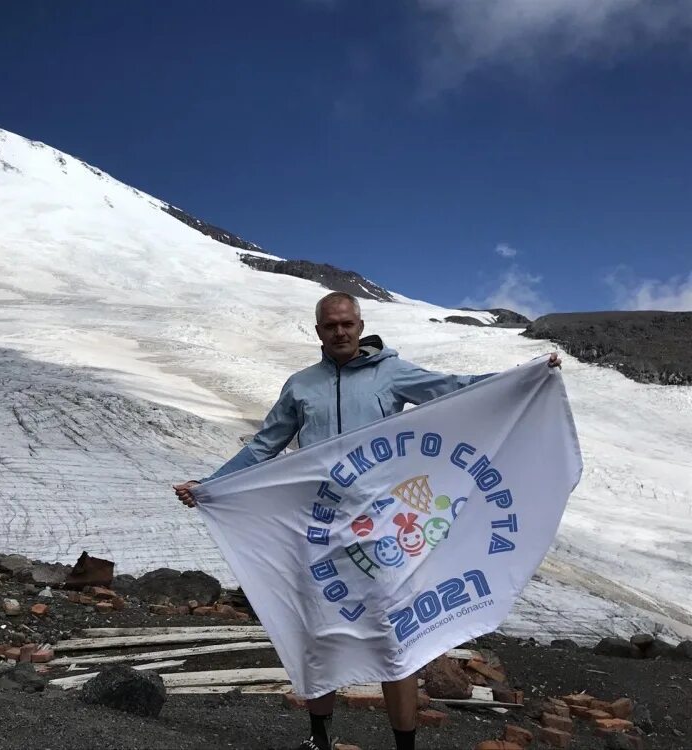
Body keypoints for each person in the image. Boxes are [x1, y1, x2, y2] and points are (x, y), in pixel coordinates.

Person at [173, 291, 561, 750]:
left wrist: (522, 380)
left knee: (394, 638)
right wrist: (213, 484)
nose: (339, 332)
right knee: (318, 635)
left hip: (384, 534)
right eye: (330, 325)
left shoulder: (391, 373)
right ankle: (319, 739)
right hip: (318, 531)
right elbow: (265, 446)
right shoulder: (300, 386)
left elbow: (453, 390)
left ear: (360, 326)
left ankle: (404, 746)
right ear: (318, 331)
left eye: (346, 324)